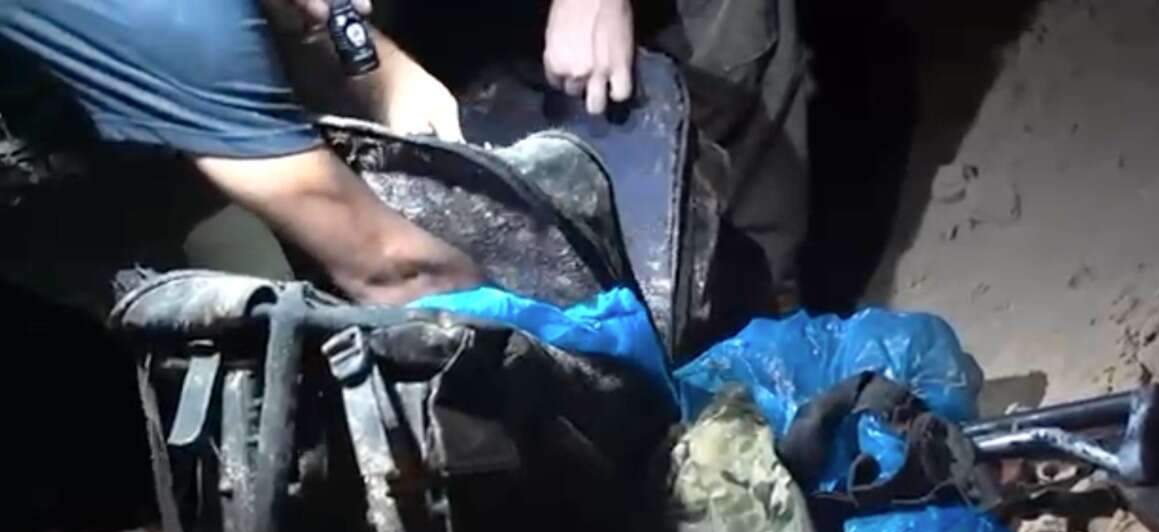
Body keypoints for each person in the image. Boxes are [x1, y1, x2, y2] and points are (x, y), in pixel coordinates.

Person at [0, 0, 808, 308]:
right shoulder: (188, 34)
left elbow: (368, 66)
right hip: (48, 153)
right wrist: (564, 333)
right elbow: (394, 269)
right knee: (250, 303)